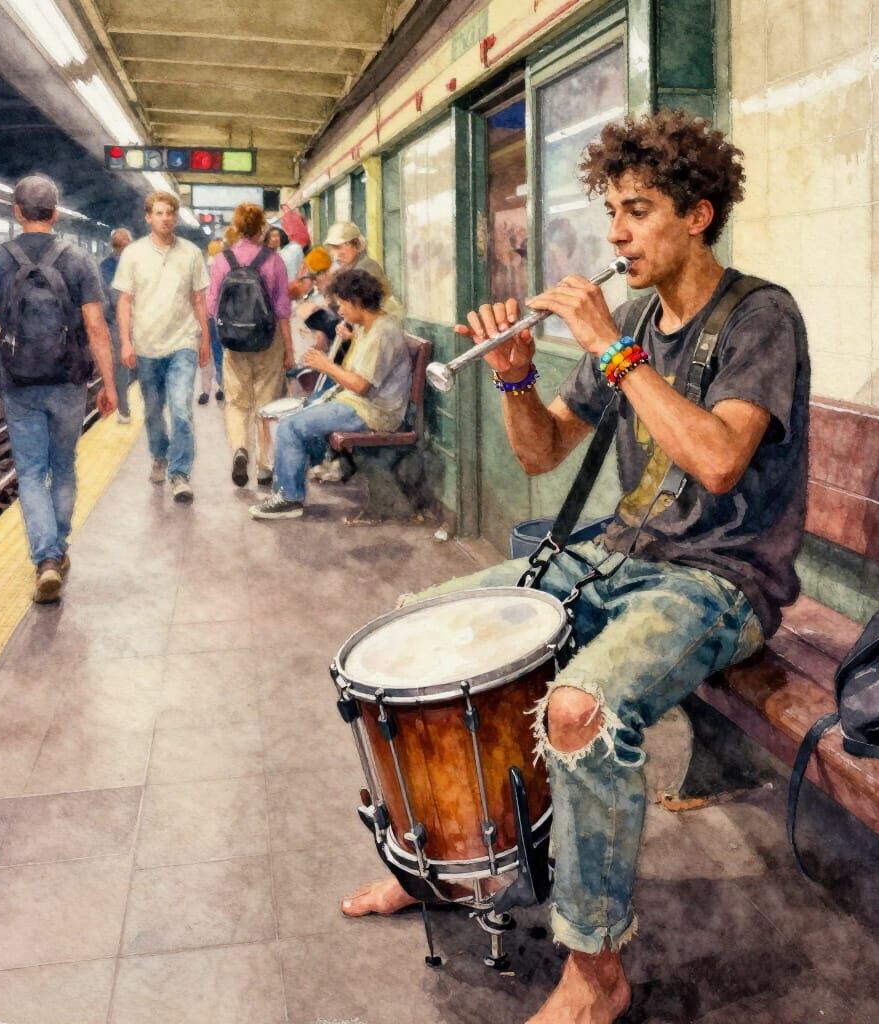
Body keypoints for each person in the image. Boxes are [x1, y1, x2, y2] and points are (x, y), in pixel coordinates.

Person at [337, 109, 810, 1024]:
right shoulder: (631, 319)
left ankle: (596, 971)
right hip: (618, 556)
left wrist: (613, 349)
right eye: (613, 213)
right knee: (414, 630)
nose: (617, 234)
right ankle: (438, 860)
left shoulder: (759, 316)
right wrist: (514, 375)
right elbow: (542, 452)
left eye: (639, 212)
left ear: (699, 215)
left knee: (581, 713)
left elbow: (717, 461)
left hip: (721, 580)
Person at [0, 174, 117, 602]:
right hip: (69, 381)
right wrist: (109, 384)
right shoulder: (77, 260)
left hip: (19, 384)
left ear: (16, 212)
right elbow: (96, 327)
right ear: (55, 214)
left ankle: (46, 558)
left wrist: (8, 342)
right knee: (64, 465)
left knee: (31, 472)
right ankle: (58, 548)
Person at [249, 268, 410, 520]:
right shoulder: (372, 326)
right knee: (300, 413)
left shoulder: (381, 333)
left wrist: (325, 365)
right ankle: (310, 472)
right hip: (361, 404)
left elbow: (360, 385)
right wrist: (352, 336)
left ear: (357, 302)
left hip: (372, 411)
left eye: (343, 304)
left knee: (290, 426)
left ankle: (289, 497)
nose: (341, 311)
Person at [114, 190, 210, 503]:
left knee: (181, 410)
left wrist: (205, 339)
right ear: (148, 217)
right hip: (145, 346)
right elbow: (125, 300)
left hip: (182, 341)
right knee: (154, 410)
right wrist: (126, 342)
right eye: (158, 213)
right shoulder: (133, 254)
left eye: (170, 212)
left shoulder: (192, 253)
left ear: (176, 216)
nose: (165, 218)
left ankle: (180, 473)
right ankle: (159, 454)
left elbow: (199, 300)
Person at [209, 203, 293, 488]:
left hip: (234, 342)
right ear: (261, 229)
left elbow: (212, 307)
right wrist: (289, 351)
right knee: (266, 403)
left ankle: (239, 450)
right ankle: (264, 467)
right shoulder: (273, 261)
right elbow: (282, 310)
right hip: (268, 341)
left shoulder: (223, 260)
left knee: (236, 402)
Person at [323, 222, 403, 319]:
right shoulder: (344, 268)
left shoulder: (366, 267)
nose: (336, 255)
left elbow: (359, 309)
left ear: (356, 245)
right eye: (333, 249)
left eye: (339, 248)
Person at [99, 227, 133, 422]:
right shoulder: (138, 264)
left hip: (116, 323)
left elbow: (103, 299)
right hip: (127, 323)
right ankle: (125, 408)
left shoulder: (103, 267)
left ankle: (123, 410)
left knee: (121, 366)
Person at [197, 239, 226, 406]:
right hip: (219, 317)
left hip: (205, 317)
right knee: (220, 354)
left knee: (205, 354)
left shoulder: (201, 268)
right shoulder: (225, 268)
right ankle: (221, 388)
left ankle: (205, 390)